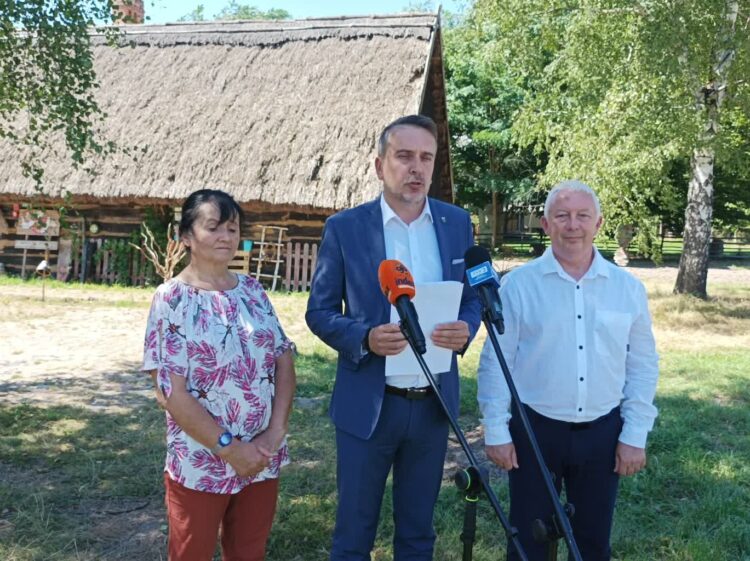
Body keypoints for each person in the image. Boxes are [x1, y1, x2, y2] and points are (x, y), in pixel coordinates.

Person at [306, 114, 482, 561]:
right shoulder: (346, 228)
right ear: (379, 165)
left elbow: (473, 298)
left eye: (426, 157)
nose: (416, 168)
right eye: (404, 156)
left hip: (432, 405)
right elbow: (319, 312)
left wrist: (466, 327)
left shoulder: (457, 223)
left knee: (418, 534)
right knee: (353, 534)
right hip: (369, 403)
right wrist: (364, 337)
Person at [477, 180, 659, 560]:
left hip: (603, 432)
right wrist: (495, 429)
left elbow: (642, 365)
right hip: (534, 431)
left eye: (582, 216)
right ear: (546, 224)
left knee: (593, 544)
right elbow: (496, 361)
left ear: (599, 223)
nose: (572, 225)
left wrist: (635, 433)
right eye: (562, 216)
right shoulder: (518, 286)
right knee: (528, 543)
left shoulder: (627, 289)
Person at [142, 189, 296, 561]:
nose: (226, 236)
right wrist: (230, 449)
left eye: (232, 228)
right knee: (191, 554)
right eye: (213, 227)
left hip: (261, 455)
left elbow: (283, 358)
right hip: (202, 460)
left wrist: (275, 432)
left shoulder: (253, 290)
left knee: (249, 553)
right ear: (186, 236)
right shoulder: (171, 299)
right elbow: (170, 392)